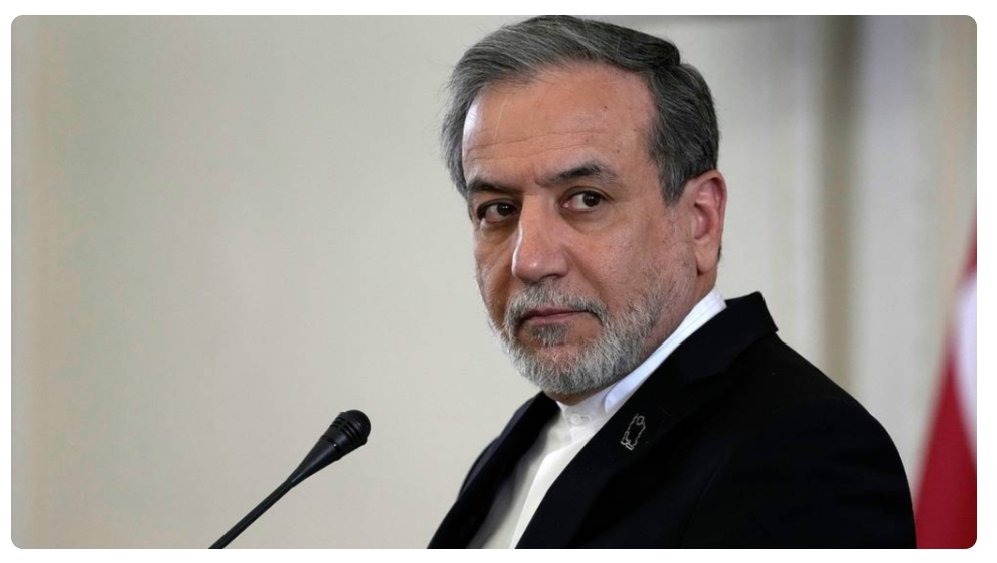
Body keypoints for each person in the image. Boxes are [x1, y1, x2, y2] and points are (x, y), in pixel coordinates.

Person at [428, 16, 915, 548]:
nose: (530, 260)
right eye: (498, 209)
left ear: (700, 221)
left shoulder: (804, 452)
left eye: (586, 199)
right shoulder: (527, 438)